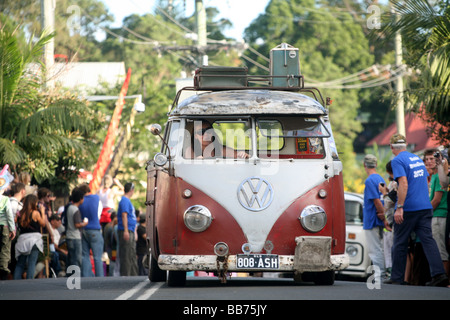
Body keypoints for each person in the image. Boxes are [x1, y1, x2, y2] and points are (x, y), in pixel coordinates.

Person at [385, 133, 448, 286]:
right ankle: (439, 275)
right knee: (428, 241)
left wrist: (399, 207)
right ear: (406, 145)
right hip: (425, 207)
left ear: (392, 147)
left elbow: (404, 184)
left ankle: (397, 277)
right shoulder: (416, 159)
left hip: (409, 208)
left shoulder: (397, 161)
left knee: (399, 242)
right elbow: (423, 182)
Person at [362, 154, 387, 278]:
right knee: (380, 247)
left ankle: (379, 275)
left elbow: (376, 200)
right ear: (376, 165)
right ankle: (382, 273)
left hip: (371, 218)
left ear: (364, 164)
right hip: (378, 218)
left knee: (374, 249)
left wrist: (382, 215)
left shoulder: (370, 180)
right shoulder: (380, 178)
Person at [13, 194, 46, 279]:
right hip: (34, 240)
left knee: (20, 264)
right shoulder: (35, 213)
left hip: (22, 240)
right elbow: (43, 224)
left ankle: (15, 282)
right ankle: (29, 283)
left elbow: (14, 223)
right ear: (33, 203)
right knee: (32, 263)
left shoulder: (19, 213)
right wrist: (42, 212)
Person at [427, 150, 449, 278]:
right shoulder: (434, 177)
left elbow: (436, 200)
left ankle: (444, 278)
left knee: (441, 249)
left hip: (439, 215)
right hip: (435, 215)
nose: (430, 162)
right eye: (427, 159)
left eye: (433, 158)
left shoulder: (439, 176)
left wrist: (425, 213)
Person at [184, 120, 249, 159]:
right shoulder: (191, 150)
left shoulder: (221, 149)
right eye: (201, 132)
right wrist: (196, 162)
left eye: (209, 130)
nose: (206, 134)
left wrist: (243, 155)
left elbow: (243, 157)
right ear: (195, 136)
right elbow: (189, 170)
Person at [77, 183, 104, 277]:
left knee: (85, 255)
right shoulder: (96, 198)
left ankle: (86, 276)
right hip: (95, 229)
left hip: (83, 229)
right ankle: (100, 277)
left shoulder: (81, 201)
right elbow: (99, 212)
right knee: (97, 257)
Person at [378, 161, 396, 277]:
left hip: (393, 220)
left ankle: (392, 271)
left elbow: (389, 202)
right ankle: (391, 270)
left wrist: (384, 193)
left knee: (391, 247)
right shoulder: (396, 183)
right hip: (391, 220)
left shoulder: (395, 183)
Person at [117, 182, 138, 276]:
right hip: (127, 230)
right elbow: (124, 215)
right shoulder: (125, 200)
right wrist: (125, 230)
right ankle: (126, 275)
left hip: (131, 230)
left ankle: (133, 275)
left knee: (131, 254)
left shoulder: (127, 200)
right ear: (131, 190)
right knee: (126, 255)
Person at [65, 187, 88, 270]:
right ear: (80, 199)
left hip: (69, 236)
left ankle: (70, 275)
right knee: (77, 259)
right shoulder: (76, 209)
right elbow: (77, 224)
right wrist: (84, 223)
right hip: (75, 237)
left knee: (71, 258)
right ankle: (75, 276)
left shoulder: (69, 208)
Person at [0, 192, 16, 280]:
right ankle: (3, 269)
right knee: (4, 249)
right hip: (4, 227)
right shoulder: (5, 199)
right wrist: (12, 228)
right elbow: (9, 214)